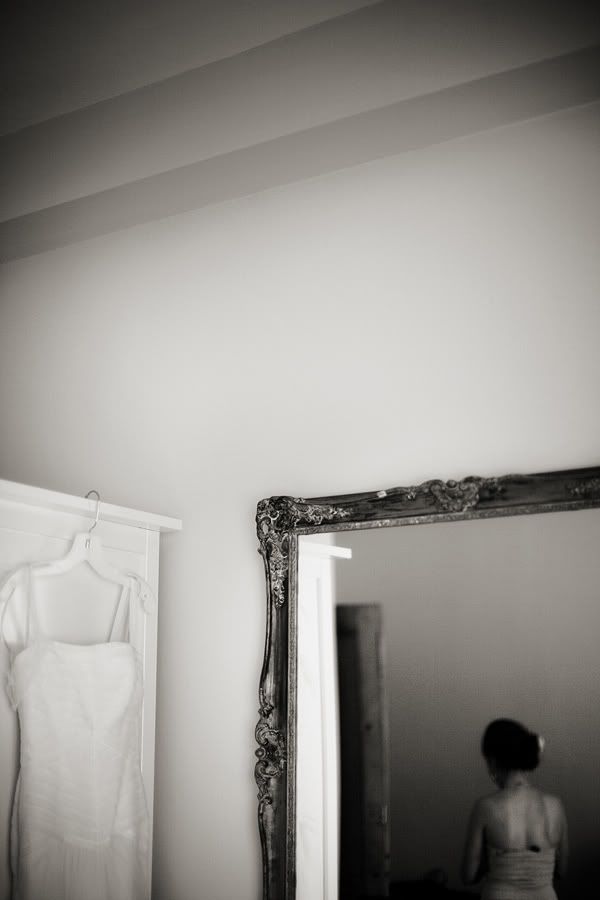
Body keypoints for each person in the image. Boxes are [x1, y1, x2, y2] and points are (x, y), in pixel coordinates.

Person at [461, 718, 568, 900]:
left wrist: (495, 862)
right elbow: (562, 871)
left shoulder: (486, 807)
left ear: (492, 761)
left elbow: (468, 876)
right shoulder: (555, 805)